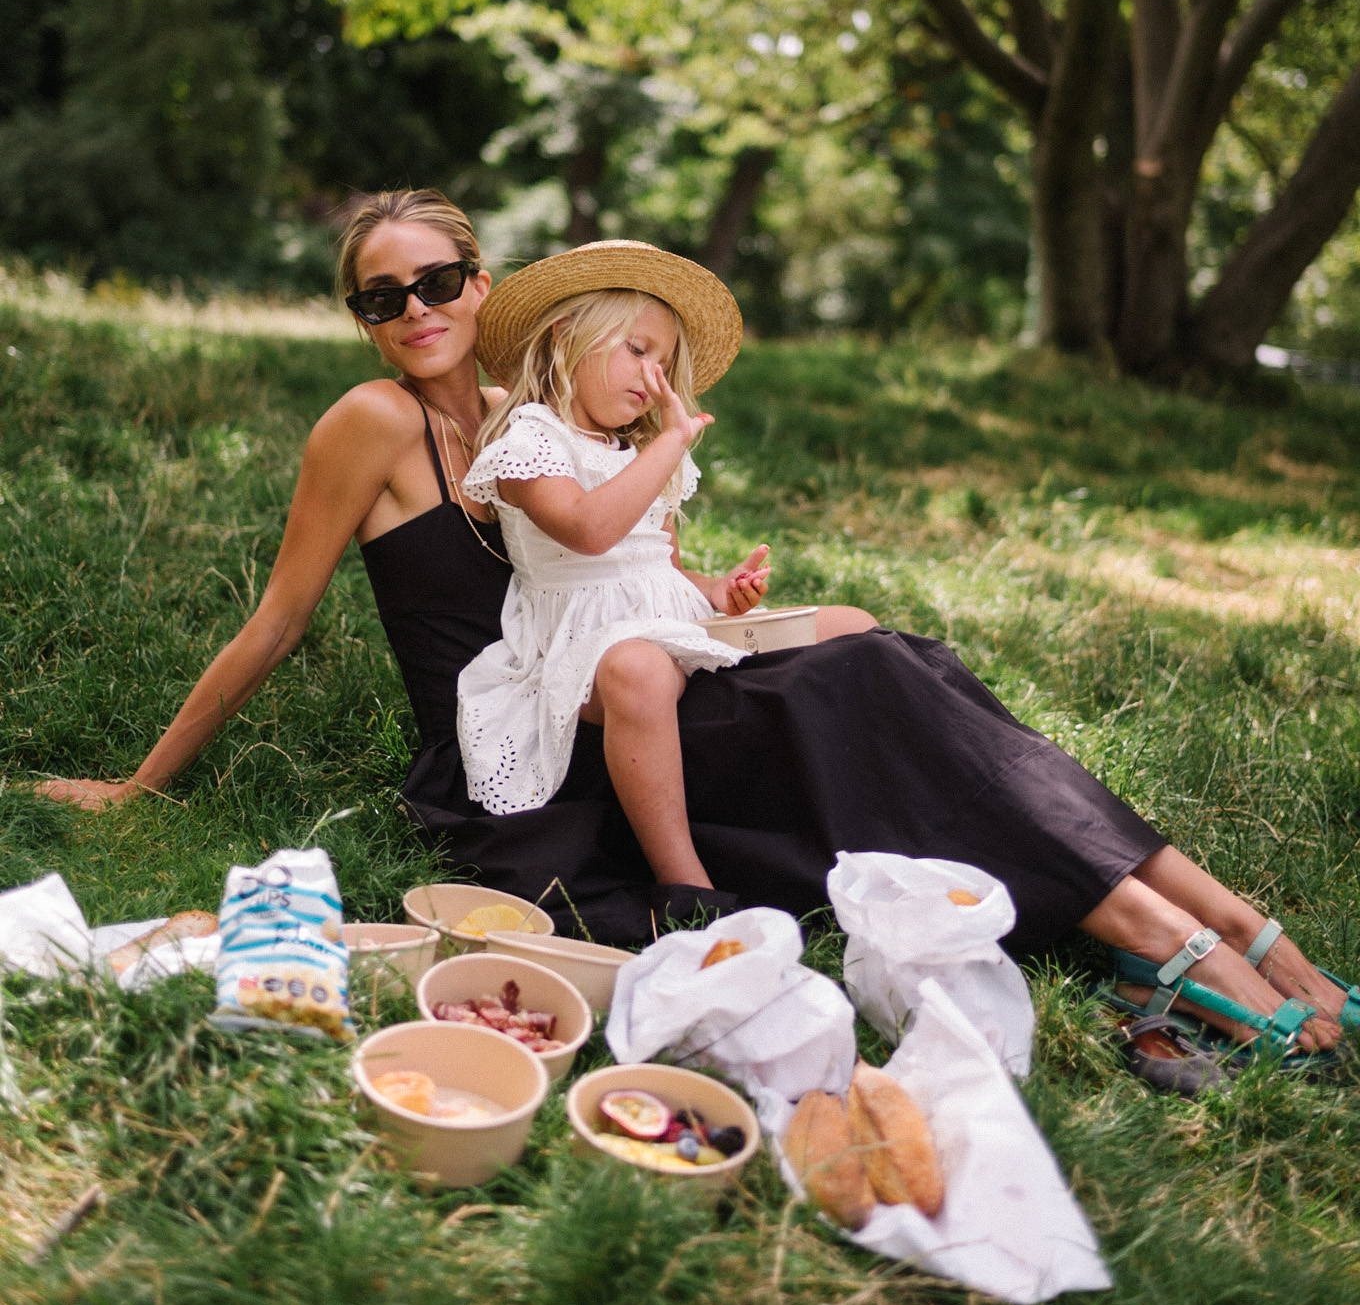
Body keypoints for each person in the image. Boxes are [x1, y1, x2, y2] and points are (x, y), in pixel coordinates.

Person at [33, 188, 1354, 1077]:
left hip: (633, 696)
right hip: (534, 764)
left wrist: (719, 593)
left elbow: (629, 560)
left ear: (480, 282)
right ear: (363, 318)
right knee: (872, 704)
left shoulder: (528, 408)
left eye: (438, 281)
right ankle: (1182, 942)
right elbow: (277, 621)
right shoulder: (370, 426)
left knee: (897, 669)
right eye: (384, 298)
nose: (415, 310)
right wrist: (145, 784)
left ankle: (1207, 921)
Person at [453, 248, 871, 890]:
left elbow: (666, 567)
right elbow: (591, 531)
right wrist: (671, 443)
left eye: (666, 363)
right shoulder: (531, 443)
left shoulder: (645, 454)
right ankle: (686, 880)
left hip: (673, 621)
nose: (656, 378)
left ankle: (860, 817)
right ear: (567, 339)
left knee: (851, 625)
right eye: (638, 350)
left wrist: (720, 592)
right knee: (638, 668)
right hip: (583, 647)